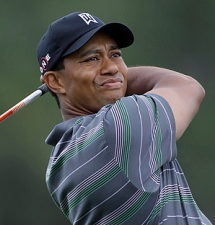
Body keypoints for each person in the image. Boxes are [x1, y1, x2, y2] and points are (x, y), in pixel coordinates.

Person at [37, 12, 212, 225]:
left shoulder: (58, 164)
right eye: (92, 59)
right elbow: (187, 87)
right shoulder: (118, 126)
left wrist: (111, 79)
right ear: (55, 82)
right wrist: (118, 79)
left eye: (115, 55)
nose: (111, 67)